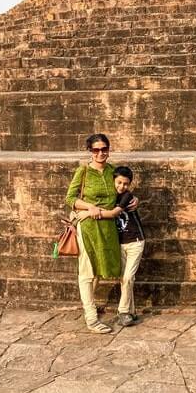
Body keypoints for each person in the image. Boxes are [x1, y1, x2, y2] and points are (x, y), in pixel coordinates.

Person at [66, 133, 123, 334]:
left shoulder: (113, 171)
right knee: (87, 271)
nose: (100, 153)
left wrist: (134, 201)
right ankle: (91, 317)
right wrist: (90, 207)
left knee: (99, 268)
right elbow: (70, 198)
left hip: (107, 227)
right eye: (96, 150)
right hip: (88, 226)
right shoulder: (83, 172)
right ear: (90, 151)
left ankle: (90, 306)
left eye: (104, 149)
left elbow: (122, 192)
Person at [113, 165, 146, 326]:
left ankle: (123, 312)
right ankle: (131, 312)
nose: (121, 186)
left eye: (125, 184)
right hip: (120, 243)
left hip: (135, 241)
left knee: (128, 277)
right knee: (124, 279)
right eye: (118, 182)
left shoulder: (127, 196)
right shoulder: (108, 196)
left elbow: (115, 212)